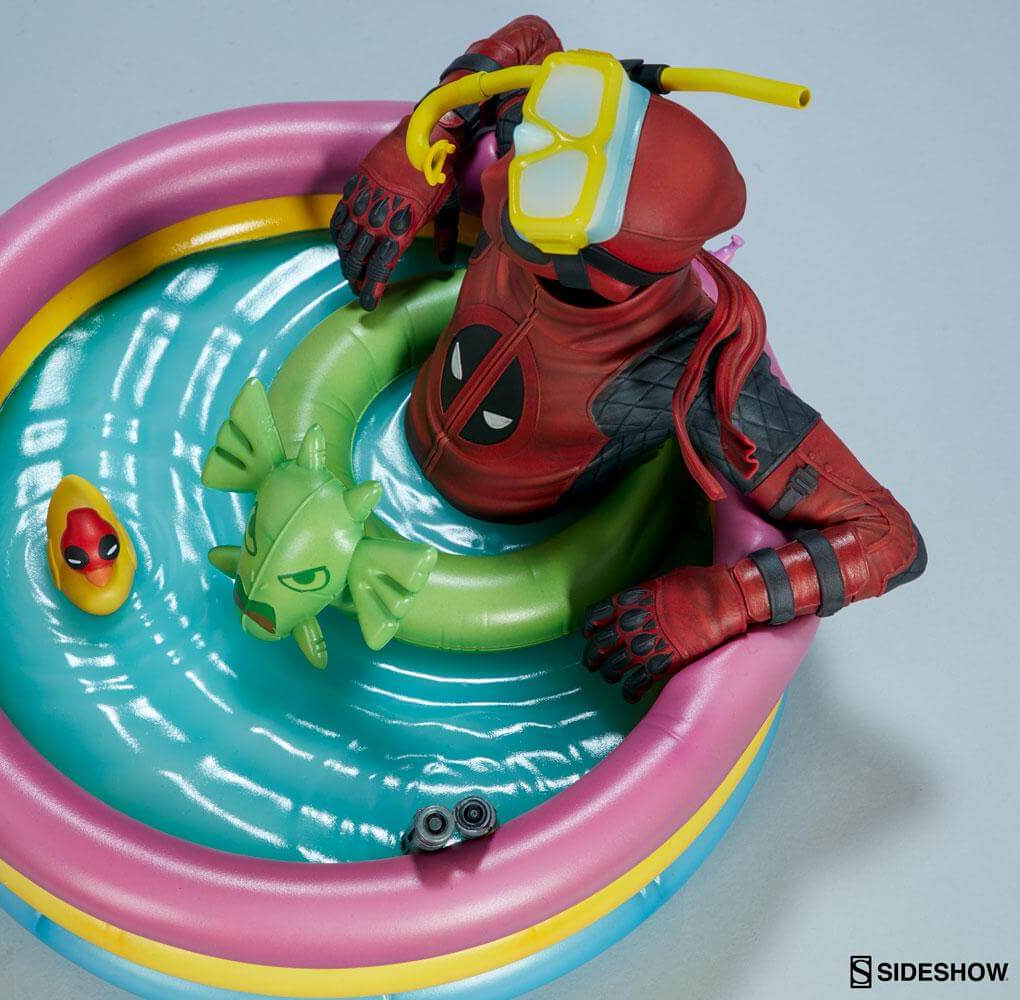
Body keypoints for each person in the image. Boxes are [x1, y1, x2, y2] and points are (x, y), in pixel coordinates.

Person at [329, 15, 925, 703]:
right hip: (396, 442)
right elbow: (532, 39)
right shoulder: (545, 178)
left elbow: (887, 538)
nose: (505, 169)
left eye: (534, 189)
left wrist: (725, 597)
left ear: (605, 272)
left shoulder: (695, 372)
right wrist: (422, 139)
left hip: (530, 543)